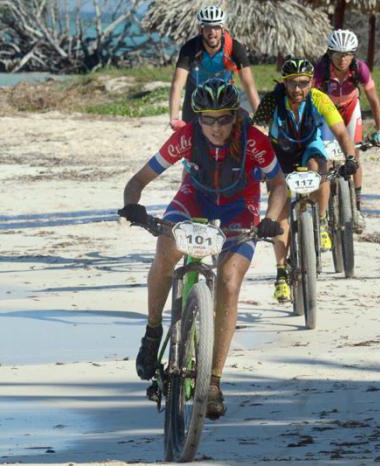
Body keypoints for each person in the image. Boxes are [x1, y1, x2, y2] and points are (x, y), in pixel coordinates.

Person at [119, 79, 287, 420]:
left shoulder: (253, 139)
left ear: (234, 117)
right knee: (165, 249)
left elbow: (278, 184)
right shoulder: (186, 137)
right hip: (193, 199)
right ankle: (153, 332)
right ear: (197, 119)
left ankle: (213, 382)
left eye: (222, 119)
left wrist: (270, 219)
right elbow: (137, 181)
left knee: (228, 281)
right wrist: (133, 207)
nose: (214, 127)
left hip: (240, 207)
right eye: (206, 120)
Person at [253, 58, 357, 303]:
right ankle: (280, 274)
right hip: (280, 151)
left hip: (309, 146)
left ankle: (320, 223)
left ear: (311, 82)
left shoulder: (320, 99)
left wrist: (351, 157)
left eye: (303, 83)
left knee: (319, 168)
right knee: (279, 212)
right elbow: (256, 132)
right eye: (292, 83)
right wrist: (255, 164)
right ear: (284, 83)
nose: (297, 89)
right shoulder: (272, 100)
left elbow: (341, 132)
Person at [313, 29, 380, 233]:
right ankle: (324, 209)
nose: (343, 59)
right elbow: (310, 98)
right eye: (338, 54)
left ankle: (356, 207)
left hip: (349, 109)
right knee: (326, 157)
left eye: (347, 54)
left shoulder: (359, 69)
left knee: (353, 154)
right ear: (330, 53)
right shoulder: (321, 68)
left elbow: (374, 99)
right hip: (328, 112)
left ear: (353, 54)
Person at [168, 5, 260, 130]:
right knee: (188, 134)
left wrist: (260, 116)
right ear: (201, 30)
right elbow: (177, 84)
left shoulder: (234, 47)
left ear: (222, 29)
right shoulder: (190, 48)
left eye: (216, 27)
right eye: (207, 27)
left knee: (238, 131)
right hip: (196, 94)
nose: (212, 32)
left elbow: (248, 84)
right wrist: (174, 119)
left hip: (224, 94)